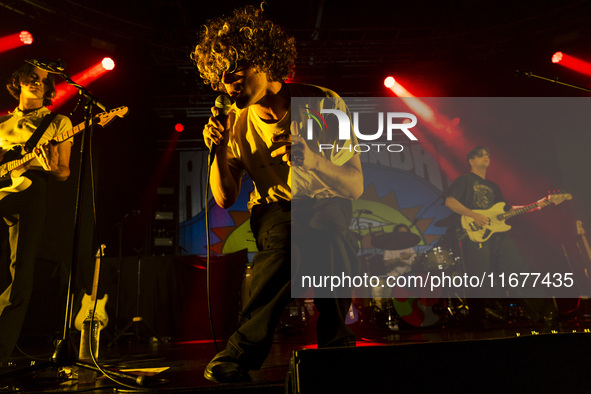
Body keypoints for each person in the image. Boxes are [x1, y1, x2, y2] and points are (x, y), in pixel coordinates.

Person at [192, 4, 363, 383]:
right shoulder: (234, 122)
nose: (228, 85)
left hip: (328, 203)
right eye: (220, 80)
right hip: (276, 210)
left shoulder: (323, 103)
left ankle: (242, 352)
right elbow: (224, 198)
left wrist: (313, 160)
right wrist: (218, 150)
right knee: (292, 239)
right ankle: (336, 345)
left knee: (329, 231)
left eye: (235, 74)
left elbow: (354, 186)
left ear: (263, 64)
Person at [0, 61, 73, 364]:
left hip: (32, 192)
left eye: (43, 79)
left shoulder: (59, 122)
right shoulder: (1, 124)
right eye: (31, 76)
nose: (36, 82)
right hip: (3, 190)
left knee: (21, 275)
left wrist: (53, 165)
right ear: (18, 81)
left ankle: (0, 353)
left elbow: (64, 172)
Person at [443, 146, 552, 324]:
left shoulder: (493, 186)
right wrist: (474, 215)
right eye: (481, 155)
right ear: (471, 161)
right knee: (480, 277)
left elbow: (507, 210)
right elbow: (450, 201)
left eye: (487, 155)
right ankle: (480, 319)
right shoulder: (464, 181)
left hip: (498, 233)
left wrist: (536, 205)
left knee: (520, 268)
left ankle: (543, 313)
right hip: (475, 233)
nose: (486, 157)